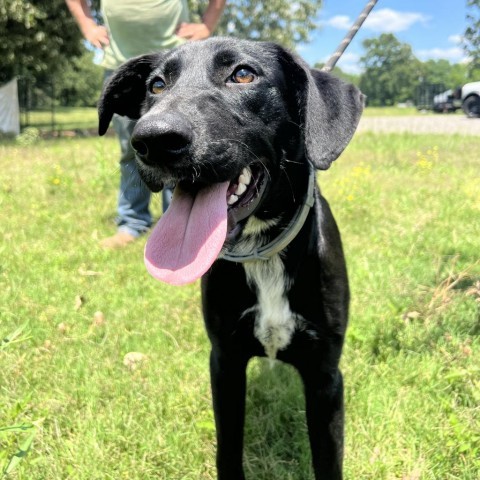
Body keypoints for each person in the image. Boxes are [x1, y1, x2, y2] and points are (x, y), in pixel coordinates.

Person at [66, 0, 226, 248]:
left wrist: (207, 24)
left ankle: (179, 224)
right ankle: (132, 222)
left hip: (179, 65)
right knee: (131, 150)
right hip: (121, 62)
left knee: (181, 145)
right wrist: (87, 25)